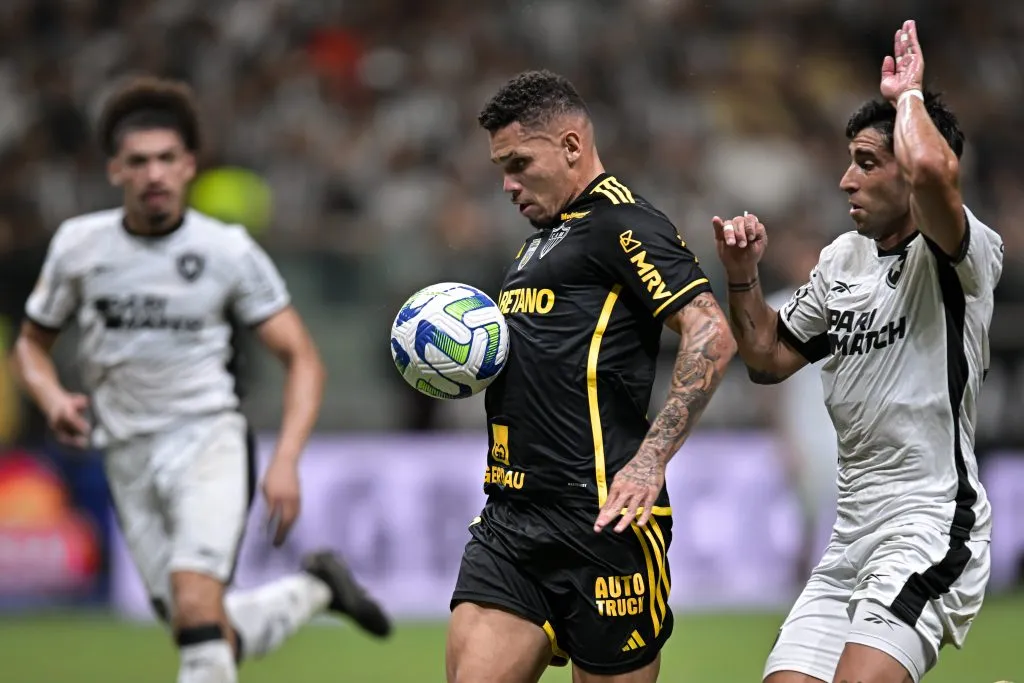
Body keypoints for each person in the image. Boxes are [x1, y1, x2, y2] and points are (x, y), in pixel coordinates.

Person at [10, 76, 391, 683]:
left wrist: (287, 457)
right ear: (115, 170)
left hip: (206, 440)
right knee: (202, 625)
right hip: (126, 452)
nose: (154, 174)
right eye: (139, 162)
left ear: (189, 166)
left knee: (194, 606)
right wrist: (51, 395)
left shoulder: (226, 251)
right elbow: (30, 345)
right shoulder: (80, 248)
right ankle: (316, 590)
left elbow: (302, 358)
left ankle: (308, 592)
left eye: (166, 159)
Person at [714, 20, 1003, 683]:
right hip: (849, 539)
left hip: (930, 523)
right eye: (849, 160)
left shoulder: (960, 255)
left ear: (908, 177)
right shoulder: (842, 261)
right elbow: (765, 358)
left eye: (867, 163)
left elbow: (934, 166)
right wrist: (742, 274)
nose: (846, 180)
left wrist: (910, 99)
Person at [445, 70, 737, 683]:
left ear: (572, 146)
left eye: (520, 162)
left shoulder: (622, 223)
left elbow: (711, 331)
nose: (507, 183)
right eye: (502, 167)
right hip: (511, 518)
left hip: (602, 523)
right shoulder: (536, 246)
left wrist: (652, 458)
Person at [762, 229, 839, 582]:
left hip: (838, 420)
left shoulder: (841, 306)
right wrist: (783, 436)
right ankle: (802, 568)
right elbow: (771, 385)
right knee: (807, 504)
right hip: (803, 423)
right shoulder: (778, 306)